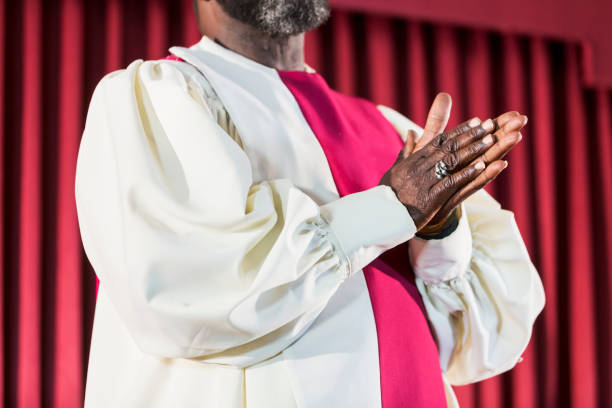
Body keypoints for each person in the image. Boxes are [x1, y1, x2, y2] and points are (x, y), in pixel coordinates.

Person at [75, 0, 545, 406]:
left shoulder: (390, 128)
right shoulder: (160, 96)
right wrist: (391, 207)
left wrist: (437, 229)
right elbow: (194, 288)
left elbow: (465, 343)